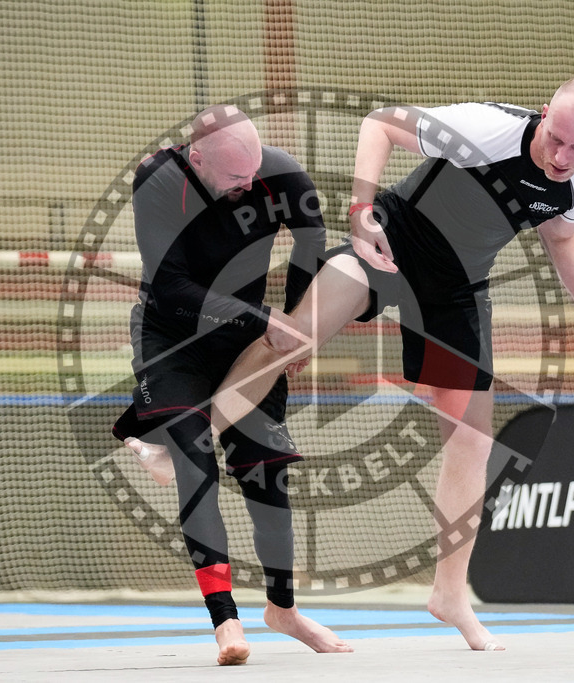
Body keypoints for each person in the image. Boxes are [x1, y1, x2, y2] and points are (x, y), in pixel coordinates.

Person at [210, 78, 574, 651]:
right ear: (543, 115)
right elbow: (380, 121)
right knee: (292, 334)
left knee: (472, 439)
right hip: (393, 241)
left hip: (458, 288)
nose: (562, 157)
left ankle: (449, 594)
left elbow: (562, 239)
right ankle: (186, 438)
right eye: (556, 139)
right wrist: (362, 211)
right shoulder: (485, 129)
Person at [111, 104, 353, 665]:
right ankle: (226, 623)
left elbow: (312, 244)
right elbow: (170, 286)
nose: (248, 186)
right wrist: (265, 322)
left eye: (253, 173)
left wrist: (298, 324)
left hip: (243, 346)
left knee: (266, 475)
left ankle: (284, 610)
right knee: (195, 465)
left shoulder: (283, 174)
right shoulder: (160, 180)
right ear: (197, 160)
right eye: (233, 179)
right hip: (171, 339)